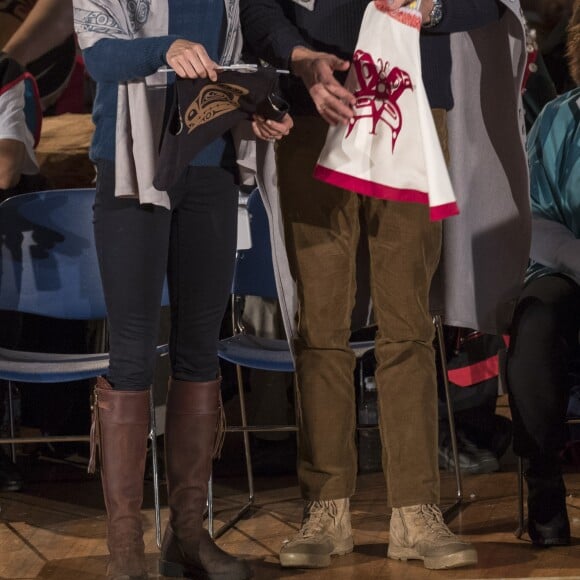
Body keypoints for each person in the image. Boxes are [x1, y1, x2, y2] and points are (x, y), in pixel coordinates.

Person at [240, 0, 530, 571]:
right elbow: (256, 6)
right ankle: (325, 506)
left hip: (414, 107)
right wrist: (299, 58)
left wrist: (431, 8)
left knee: (408, 323)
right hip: (315, 109)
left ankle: (415, 509)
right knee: (319, 321)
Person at [72, 1, 293, 579]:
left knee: (200, 346)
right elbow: (97, 54)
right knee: (133, 354)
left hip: (211, 165)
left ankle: (188, 535)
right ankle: (125, 547)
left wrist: (257, 113)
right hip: (131, 164)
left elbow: (233, 65)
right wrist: (162, 48)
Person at [506, 0, 580, 548]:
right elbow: (536, 219)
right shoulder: (559, 118)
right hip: (571, 268)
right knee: (535, 324)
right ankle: (546, 487)